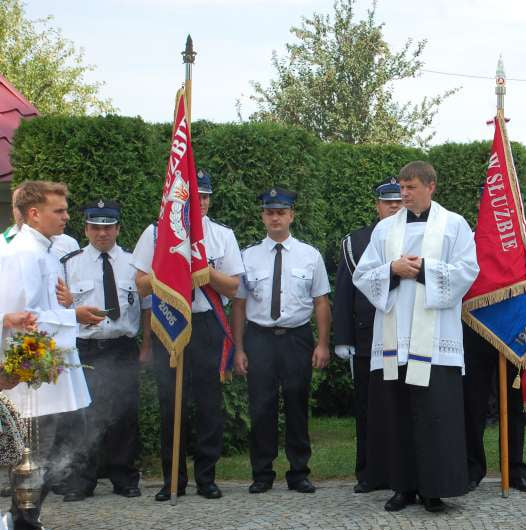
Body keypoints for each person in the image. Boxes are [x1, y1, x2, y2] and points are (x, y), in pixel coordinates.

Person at [353, 160, 479, 513]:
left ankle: (434, 489)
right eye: (401, 187)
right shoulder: (384, 230)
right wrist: (392, 270)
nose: (403, 194)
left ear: (431, 186)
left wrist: (424, 269)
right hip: (394, 343)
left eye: (410, 187)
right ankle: (402, 487)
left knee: (435, 417)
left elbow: (468, 271)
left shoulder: (454, 225)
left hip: (437, 341)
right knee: (398, 415)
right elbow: (363, 276)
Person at [0, 181, 104, 530]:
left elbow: (41, 309)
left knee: (47, 449)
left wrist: (71, 314)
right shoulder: (23, 253)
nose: (65, 217)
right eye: (58, 211)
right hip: (31, 375)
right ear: (33, 214)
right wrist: (72, 316)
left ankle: (27, 525)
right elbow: (22, 318)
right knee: (36, 453)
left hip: (48, 367)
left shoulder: (41, 250)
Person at [133, 169, 244, 501]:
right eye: (196, 197)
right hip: (168, 323)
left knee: (209, 406)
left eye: (206, 196)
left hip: (206, 326)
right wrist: (169, 270)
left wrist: (203, 271)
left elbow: (235, 286)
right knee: (171, 405)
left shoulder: (222, 235)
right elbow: (140, 285)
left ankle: (206, 478)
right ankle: (173, 481)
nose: (203, 202)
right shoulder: (155, 234)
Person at [232, 186, 331, 495]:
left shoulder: (310, 255)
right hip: (259, 338)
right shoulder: (247, 256)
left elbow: (321, 302)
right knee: (261, 407)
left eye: (281, 212)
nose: (275, 218)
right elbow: (238, 305)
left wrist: (323, 344)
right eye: (269, 212)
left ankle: (299, 472)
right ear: (263, 216)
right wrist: (238, 348)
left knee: (297, 404)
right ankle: (262, 473)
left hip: (296, 338)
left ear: (292, 216)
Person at [61, 200, 150, 500]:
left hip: (121, 346)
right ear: (86, 228)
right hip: (84, 349)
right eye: (96, 227)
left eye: (108, 227)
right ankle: (81, 480)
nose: (102, 233)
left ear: (118, 229)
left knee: (125, 414)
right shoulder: (68, 264)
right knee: (82, 415)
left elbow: (147, 308)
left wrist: (147, 345)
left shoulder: (133, 263)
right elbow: (60, 309)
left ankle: (124, 477)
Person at [462, 231, 526, 494]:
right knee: (472, 407)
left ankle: (516, 471)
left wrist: (523, 279)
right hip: (476, 334)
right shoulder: (469, 239)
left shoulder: (524, 240)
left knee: (513, 407)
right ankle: (471, 469)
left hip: (513, 335)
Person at [332, 177, 402, 494]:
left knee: (402, 406)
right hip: (366, 339)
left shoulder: (417, 238)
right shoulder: (356, 242)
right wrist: (343, 338)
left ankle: (402, 472)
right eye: (388, 202)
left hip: (404, 339)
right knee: (367, 408)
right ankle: (368, 472)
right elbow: (345, 293)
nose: (394, 206)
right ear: (377, 205)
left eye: (399, 201)